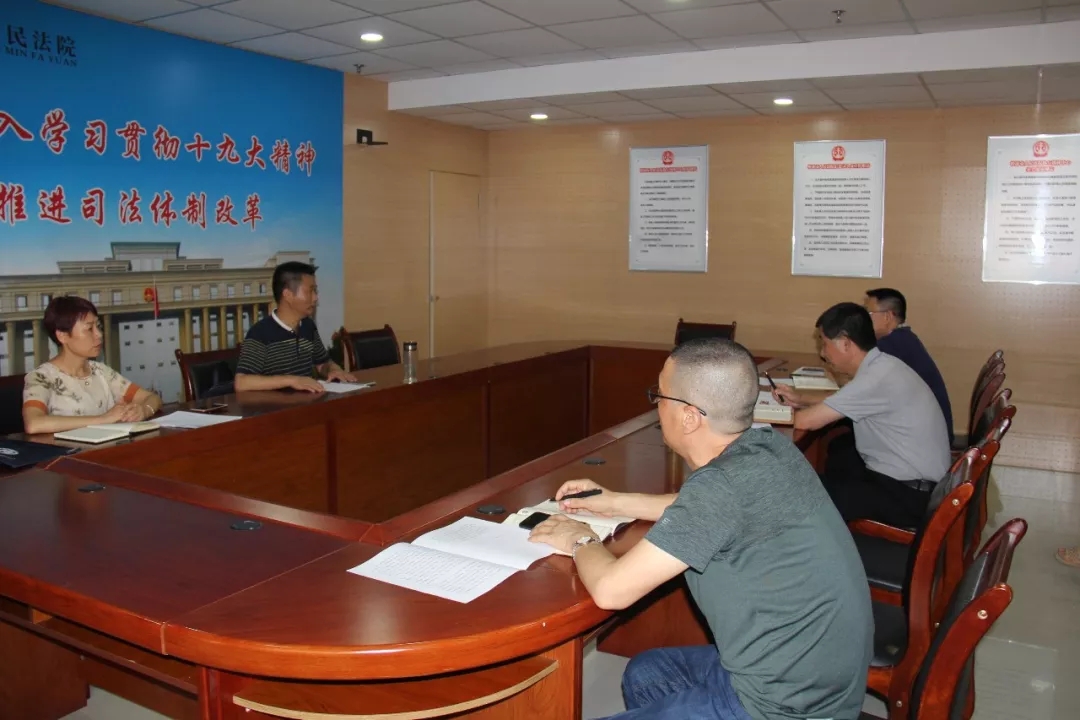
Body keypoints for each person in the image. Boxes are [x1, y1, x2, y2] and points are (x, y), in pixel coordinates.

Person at [529, 338, 872, 720]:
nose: (656, 405)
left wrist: (578, 538)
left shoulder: (721, 488)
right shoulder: (768, 448)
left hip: (785, 706)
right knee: (647, 675)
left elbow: (612, 591)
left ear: (689, 417)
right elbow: (703, 509)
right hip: (817, 675)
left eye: (660, 395)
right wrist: (614, 502)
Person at [773, 302, 950, 528]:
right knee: (838, 458)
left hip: (907, 496)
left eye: (825, 344)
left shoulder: (875, 379)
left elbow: (805, 422)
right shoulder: (883, 365)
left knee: (801, 494)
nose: (823, 353)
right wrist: (800, 399)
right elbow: (847, 399)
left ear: (846, 343)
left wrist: (754, 413)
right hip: (913, 484)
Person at [22, 296, 163, 435]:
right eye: (89, 329)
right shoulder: (42, 377)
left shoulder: (101, 371)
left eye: (98, 326)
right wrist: (103, 419)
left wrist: (143, 410)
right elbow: (33, 423)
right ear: (62, 336)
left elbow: (151, 398)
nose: (99, 334)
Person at [234, 262, 355, 393]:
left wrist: (333, 369)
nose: (315, 298)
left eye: (315, 291)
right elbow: (241, 382)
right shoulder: (260, 333)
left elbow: (322, 363)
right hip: (274, 405)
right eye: (310, 291)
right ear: (288, 295)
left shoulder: (308, 326)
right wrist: (292, 381)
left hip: (306, 402)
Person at [864, 288, 953, 444]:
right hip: (929, 434)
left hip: (922, 441)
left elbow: (864, 389)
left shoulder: (891, 345)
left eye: (868, 314)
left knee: (843, 445)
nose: (863, 320)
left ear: (887, 316)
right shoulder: (903, 339)